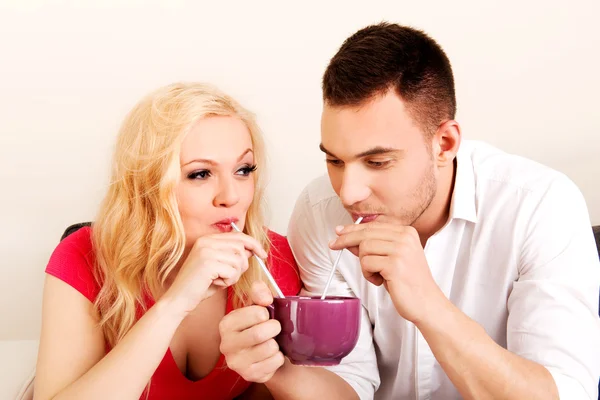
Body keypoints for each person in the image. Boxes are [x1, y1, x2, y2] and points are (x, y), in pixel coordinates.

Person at [218, 22, 600, 399]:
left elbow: (565, 393)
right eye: (335, 160)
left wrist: (428, 305)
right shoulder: (319, 213)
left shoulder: (540, 206)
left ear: (445, 144)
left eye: (378, 162)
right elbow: (350, 385)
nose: (348, 194)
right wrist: (277, 372)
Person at [34, 82, 300, 400]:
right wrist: (175, 304)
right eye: (200, 174)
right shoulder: (82, 256)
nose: (232, 196)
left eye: (243, 170)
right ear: (148, 184)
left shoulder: (274, 260)